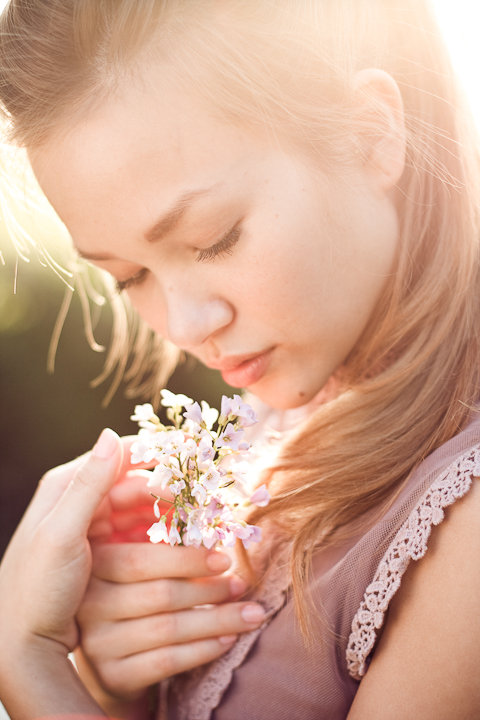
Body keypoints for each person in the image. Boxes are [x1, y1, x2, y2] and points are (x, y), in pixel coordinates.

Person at [1, 0, 480, 718]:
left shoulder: (463, 528)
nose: (187, 325)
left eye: (214, 237)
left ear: (374, 133)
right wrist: (120, 685)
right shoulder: (263, 433)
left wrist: (34, 676)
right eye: (129, 278)